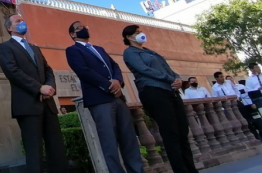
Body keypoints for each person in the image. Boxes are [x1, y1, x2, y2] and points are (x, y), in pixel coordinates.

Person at [67, 21, 143, 173]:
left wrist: (117, 81)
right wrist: (108, 85)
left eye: (85, 26)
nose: (84, 29)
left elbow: (114, 66)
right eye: (79, 28)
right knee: (109, 143)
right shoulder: (72, 50)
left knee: (129, 140)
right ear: (73, 34)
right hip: (100, 100)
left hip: (118, 98)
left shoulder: (99, 49)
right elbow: (83, 71)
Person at [122, 25, 198, 173]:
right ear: (129, 37)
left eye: (141, 32)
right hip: (154, 93)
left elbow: (167, 68)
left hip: (171, 93)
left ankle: (191, 169)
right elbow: (144, 70)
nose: (141, 34)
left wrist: (177, 78)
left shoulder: (150, 52)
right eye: (137, 33)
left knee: (183, 132)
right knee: (171, 134)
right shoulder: (130, 52)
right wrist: (169, 79)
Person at [0, 14, 68, 173]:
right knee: (34, 151)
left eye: (23, 20)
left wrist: (49, 87)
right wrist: (38, 88)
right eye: (18, 21)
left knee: (57, 149)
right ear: (10, 28)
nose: (22, 23)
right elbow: (12, 71)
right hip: (27, 106)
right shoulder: (5, 47)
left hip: (48, 104)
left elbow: (48, 70)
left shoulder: (35, 48)